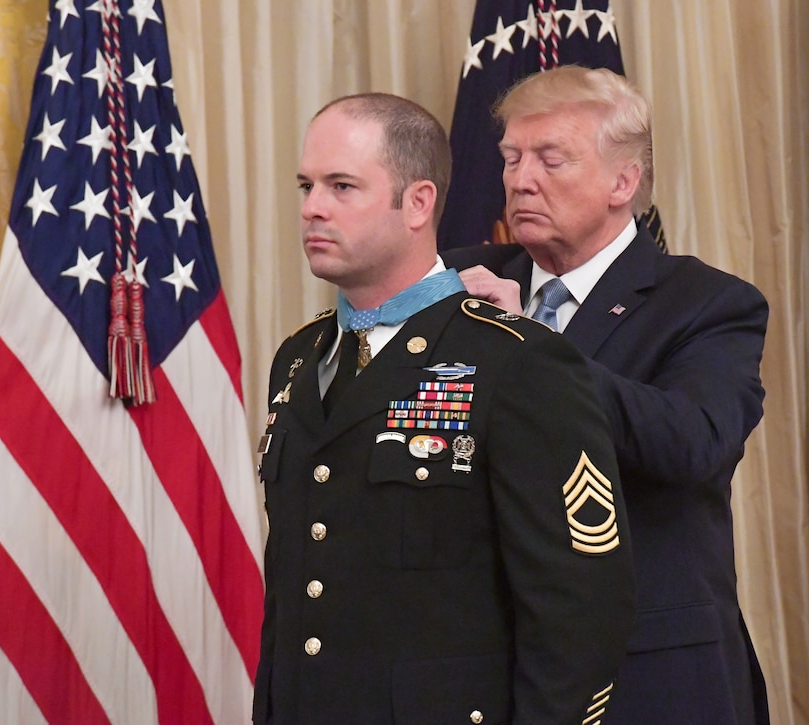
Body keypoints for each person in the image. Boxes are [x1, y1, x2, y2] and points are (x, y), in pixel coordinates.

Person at [253, 92, 636, 724]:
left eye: (342, 186)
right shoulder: (298, 359)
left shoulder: (516, 362)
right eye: (306, 186)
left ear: (419, 202)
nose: (313, 208)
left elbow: (582, 615)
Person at [444, 66, 771, 724]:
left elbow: (691, 442)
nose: (519, 179)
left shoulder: (707, 303)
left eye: (550, 158)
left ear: (623, 182)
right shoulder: (454, 282)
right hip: (480, 669)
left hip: (647, 674)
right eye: (511, 158)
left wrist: (529, 345)